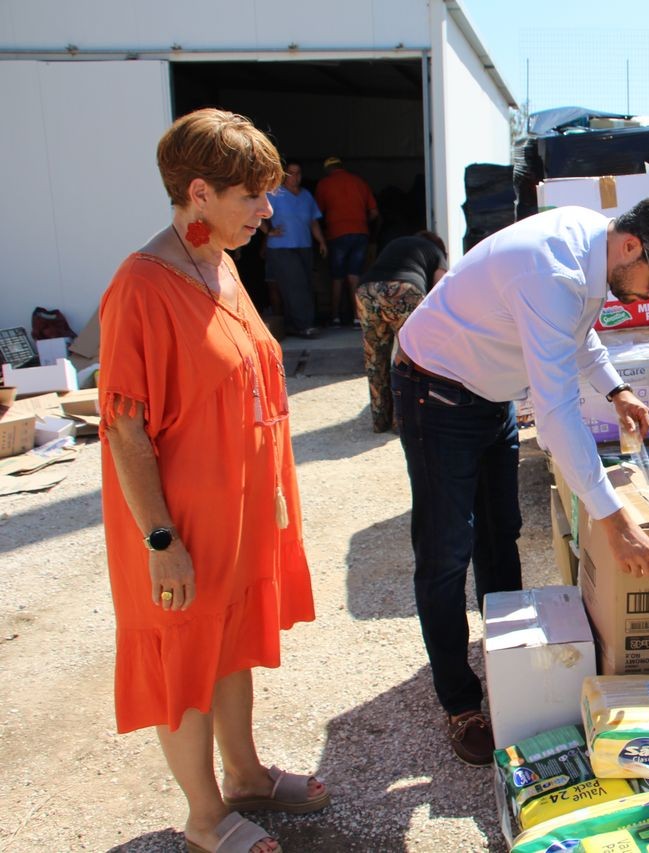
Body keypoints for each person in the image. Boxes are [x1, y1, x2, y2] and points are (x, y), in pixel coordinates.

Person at [393, 193, 649, 766]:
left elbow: (578, 332)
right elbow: (557, 410)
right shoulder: (554, 269)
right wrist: (610, 518)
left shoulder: (598, 246)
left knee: (500, 531)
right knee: (446, 549)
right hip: (435, 389)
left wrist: (617, 388)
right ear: (633, 245)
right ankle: (461, 701)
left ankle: (509, 660)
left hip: (490, 392)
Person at [97, 109, 328, 853]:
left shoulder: (220, 264)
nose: (269, 210)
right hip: (177, 524)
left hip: (237, 514)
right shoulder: (142, 284)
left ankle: (248, 776)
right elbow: (125, 427)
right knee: (185, 658)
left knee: (230, 646)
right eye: (252, 197)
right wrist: (161, 539)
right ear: (200, 192)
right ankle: (203, 816)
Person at [356, 231, 448, 432]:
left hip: (366, 291)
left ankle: (380, 422)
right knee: (410, 355)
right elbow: (440, 289)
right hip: (405, 290)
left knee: (375, 358)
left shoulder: (397, 242)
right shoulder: (436, 252)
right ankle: (403, 420)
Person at [263, 161, 327, 338]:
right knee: (295, 285)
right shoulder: (275, 194)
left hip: (304, 245)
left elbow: (313, 221)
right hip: (282, 248)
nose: (295, 177)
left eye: (298, 173)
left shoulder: (306, 195)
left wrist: (321, 241)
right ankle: (304, 325)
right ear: (284, 175)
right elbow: (258, 215)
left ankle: (293, 325)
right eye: (291, 173)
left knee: (304, 285)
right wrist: (269, 230)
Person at [315, 156, 379, 327]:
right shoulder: (359, 182)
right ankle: (358, 318)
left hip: (336, 234)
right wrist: (360, 221)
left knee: (337, 277)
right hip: (360, 234)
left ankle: (335, 317)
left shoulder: (324, 184)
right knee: (354, 277)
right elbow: (374, 212)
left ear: (328, 169)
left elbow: (317, 214)